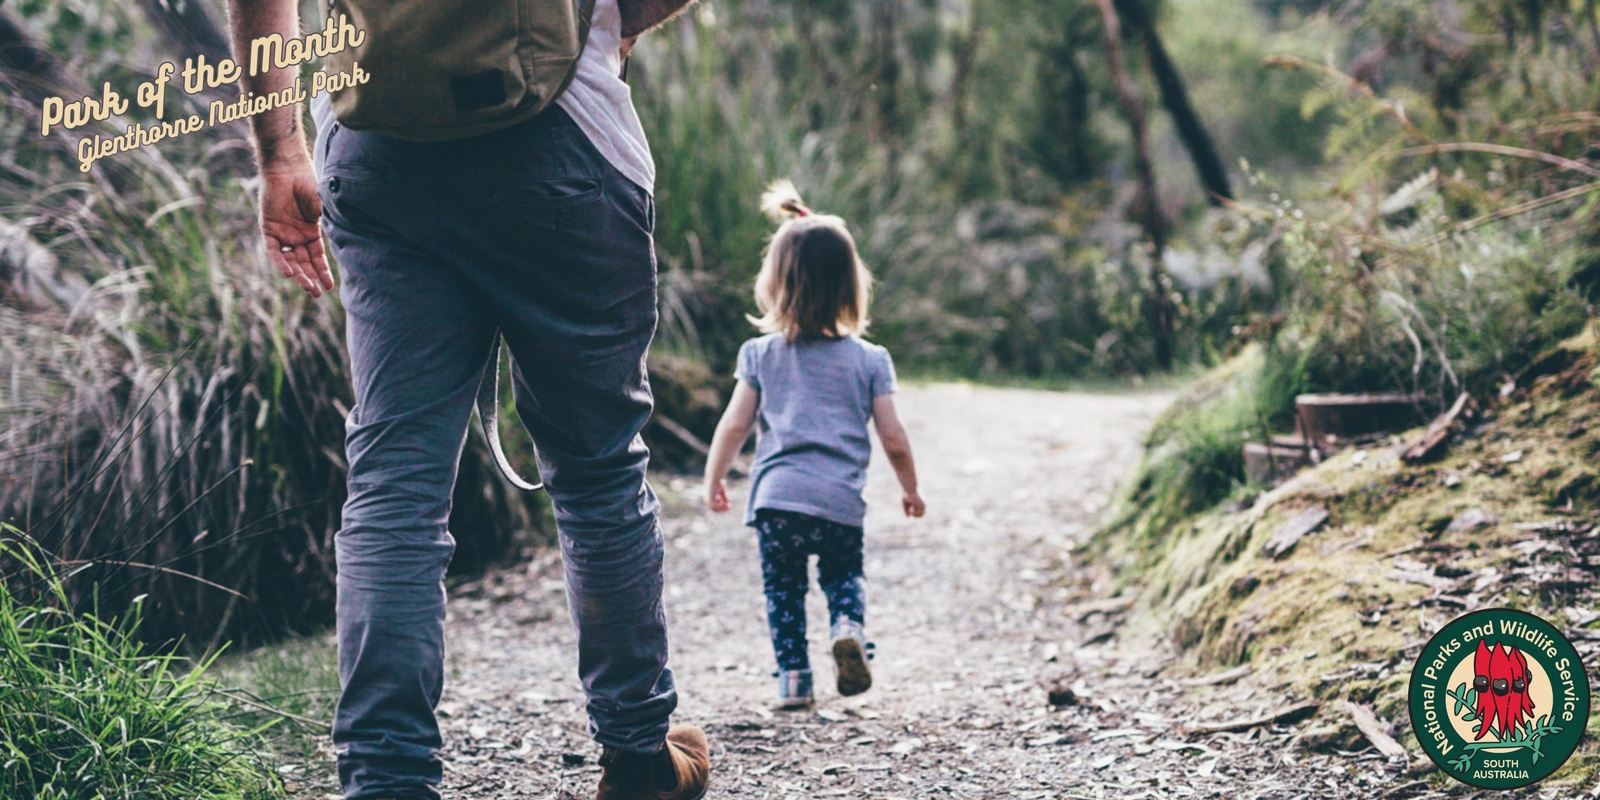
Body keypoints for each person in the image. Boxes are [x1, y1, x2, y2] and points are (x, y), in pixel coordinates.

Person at [224, 1, 709, 798]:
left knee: (394, 487)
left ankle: (385, 777)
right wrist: (606, 28)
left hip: (378, 148)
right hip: (566, 134)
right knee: (597, 471)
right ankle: (636, 755)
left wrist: (279, 153)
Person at [702, 180, 925, 710]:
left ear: (775, 284)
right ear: (852, 286)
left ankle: (794, 681)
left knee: (784, 592)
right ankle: (848, 625)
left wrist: (714, 479)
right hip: (840, 501)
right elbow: (892, 437)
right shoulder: (871, 360)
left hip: (777, 500)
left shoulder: (759, 355)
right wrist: (910, 489)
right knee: (843, 576)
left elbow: (734, 425)